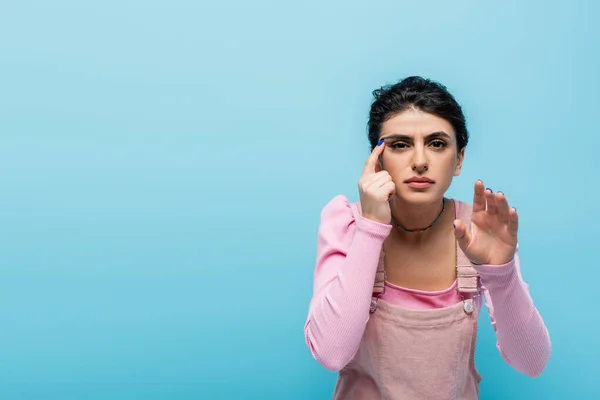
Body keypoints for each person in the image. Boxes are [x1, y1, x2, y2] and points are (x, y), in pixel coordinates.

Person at [303, 76, 551, 399]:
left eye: (437, 143)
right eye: (400, 144)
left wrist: (501, 275)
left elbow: (532, 362)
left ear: (459, 159)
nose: (420, 161)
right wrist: (370, 229)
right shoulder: (346, 222)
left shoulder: (480, 229)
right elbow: (330, 353)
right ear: (375, 159)